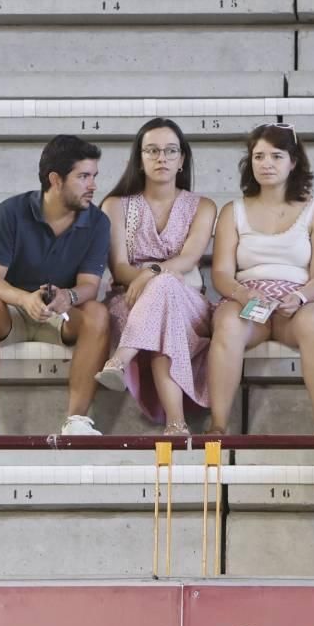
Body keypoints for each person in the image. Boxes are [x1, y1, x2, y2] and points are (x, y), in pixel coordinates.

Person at [0, 135, 111, 436]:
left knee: (97, 313)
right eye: (83, 177)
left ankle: (77, 422)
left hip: (62, 313)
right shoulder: (12, 211)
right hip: (15, 310)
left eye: (94, 176)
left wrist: (68, 296)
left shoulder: (97, 221)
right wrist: (24, 299)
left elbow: (89, 286)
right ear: (55, 179)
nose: (93, 186)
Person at [206, 123, 314, 435]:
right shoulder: (232, 211)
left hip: (298, 302)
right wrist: (243, 295)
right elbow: (221, 273)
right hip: (247, 299)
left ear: (293, 162)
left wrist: (301, 297)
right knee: (227, 324)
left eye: (276, 156)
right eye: (259, 156)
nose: (266, 164)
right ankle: (218, 426)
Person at [93, 118, 217, 435]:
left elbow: (189, 258)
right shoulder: (116, 205)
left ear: (182, 159)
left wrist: (152, 272)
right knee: (164, 316)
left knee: (165, 288)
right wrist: (151, 280)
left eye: (170, 151)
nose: (161, 158)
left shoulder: (202, 206)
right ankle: (176, 423)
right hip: (130, 302)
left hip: (189, 301)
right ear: (140, 158)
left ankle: (120, 360)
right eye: (152, 150)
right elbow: (119, 267)